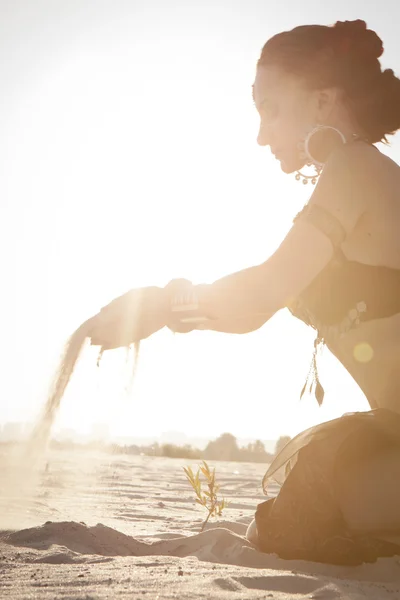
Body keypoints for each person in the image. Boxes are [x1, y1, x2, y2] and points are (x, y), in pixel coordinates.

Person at [88, 20, 400, 565]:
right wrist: (168, 308)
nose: (260, 134)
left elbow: (262, 291)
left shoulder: (354, 167)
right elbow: (253, 312)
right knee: (297, 517)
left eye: (270, 109)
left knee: (299, 520)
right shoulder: (358, 174)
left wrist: (162, 302)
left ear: (324, 99)